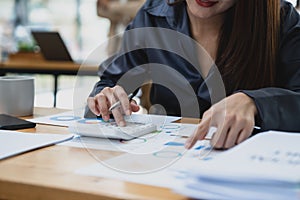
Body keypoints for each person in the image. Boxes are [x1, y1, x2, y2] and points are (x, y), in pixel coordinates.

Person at [86, 0, 300, 149]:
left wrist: (255, 103)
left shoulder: (281, 20)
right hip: (166, 165)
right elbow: (111, 80)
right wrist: (107, 97)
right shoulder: (152, 15)